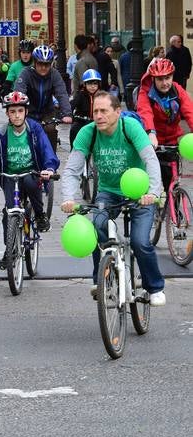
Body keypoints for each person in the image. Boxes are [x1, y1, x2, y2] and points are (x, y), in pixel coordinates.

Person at [61, 91, 165, 306]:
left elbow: (150, 160)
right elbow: (72, 169)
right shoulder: (87, 133)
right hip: (108, 191)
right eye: (95, 111)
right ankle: (102, 281)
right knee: (98, 226)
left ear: (117, 112)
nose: (98, 116)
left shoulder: (130, 128)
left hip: (140, 190)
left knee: (140, 241)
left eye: (104, 111)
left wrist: (153, 193)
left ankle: (154, 287)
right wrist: (69, 198)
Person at [0, 91, 59, 268]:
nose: (16, 115)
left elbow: (46, 149)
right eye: (12, 112)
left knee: (29, 181)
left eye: (20, 111)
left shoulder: (34, 129)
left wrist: (49, 168)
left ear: (26, 112)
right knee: (8, 213)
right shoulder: (2, 133)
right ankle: (10, 249)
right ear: (7, 113)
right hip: (10, 177)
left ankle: (40, 215)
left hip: (31, 174)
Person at [136, 57, 193, 192]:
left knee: (172, 183)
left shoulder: (178, 90)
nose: (165, 83)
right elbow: (145, 112)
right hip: (152, 141)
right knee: (149, 181)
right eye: (160, 79)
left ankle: (174, 209)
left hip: (172, 140)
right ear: (153, 79)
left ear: (172, 77)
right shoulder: (146, 93)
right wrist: (151, 132)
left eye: (167, 78)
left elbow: (189, 111)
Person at [14, 44, 72, 152]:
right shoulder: (26, 73)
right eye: (40, 64)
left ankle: (51, 160)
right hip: (29, 111)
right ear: (35, 62)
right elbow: (19, 92)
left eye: (47, 65)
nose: (43, 68)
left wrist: (67, 113)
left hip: (47, 111)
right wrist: (19, 110)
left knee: (50, 129)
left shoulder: (54, 74)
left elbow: (62, 94)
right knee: (23, 131)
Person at [69, 68, 102, 147]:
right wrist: (68, 114)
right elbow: (72, 105)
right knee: (74, 129)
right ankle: (74, 150)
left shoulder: (101, 95)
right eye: (89, 84)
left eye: (95, 83)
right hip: (82, 121)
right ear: (84, 84)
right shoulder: (80, 94)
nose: (92, 86)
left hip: (97, 122)